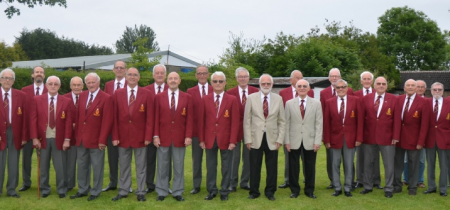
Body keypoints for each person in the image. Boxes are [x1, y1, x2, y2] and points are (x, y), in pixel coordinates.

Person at [111, 68, 154, 202]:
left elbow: (150, 118)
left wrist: (148, 137)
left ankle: (141, 191)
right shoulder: (117, 93)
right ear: (126, 76)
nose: (132, 77)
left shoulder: (146, 94)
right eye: (130, 74)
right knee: (124, 166)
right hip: (122, 137)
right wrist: (115, 136)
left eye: (135, 75)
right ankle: (123, 190)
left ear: (139, 77)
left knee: (141, 166)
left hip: (140, 138)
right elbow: (114, 117)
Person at [70, 72, 113, 201]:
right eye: (88, 82)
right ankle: (83, 189)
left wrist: (102, 140)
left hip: (96, 140)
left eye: (93, 82)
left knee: (97, 166)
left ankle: (95, 191)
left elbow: (107, 122)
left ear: (98, 83)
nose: (91, 84)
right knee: (82, 165)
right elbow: (78, 118)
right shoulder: (82, 96)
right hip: (82, 139)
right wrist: (77, 135)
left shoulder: (106, 98)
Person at [30, 76, 74, 198]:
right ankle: (44, 189)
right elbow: (33, 120)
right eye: (50, 84)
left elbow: (68, 123)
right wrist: (34, 138)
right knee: (43, 165)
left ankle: (61, 189)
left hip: (59, 139)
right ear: (46, 85)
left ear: (59, 86)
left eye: (55, 84)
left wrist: (67, 139)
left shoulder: (66, 101)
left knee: (60, 166)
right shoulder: (37, 100)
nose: (53, 86)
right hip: (42, 139)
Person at [244, 74, 285, 201]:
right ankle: (254, 191)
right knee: (254, 166)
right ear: (260, 85)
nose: (266, 86)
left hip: (272, 138)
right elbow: (247, 120)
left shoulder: (278, 99)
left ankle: (270, 191)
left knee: (272, 167)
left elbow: (282, 121)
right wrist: (248, 139)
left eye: (268, 84)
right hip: (255, 137)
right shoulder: (251, 98)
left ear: (272, 85)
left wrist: (280, 139)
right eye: (263, 83)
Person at [199, 71, 239, 201]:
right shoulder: (205, 99)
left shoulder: (232, 100)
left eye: (220, 81)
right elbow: (201, 121)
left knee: (226, 167)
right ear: (211, 83)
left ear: (225, 83)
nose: (218, 83)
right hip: (209, 139)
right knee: (210, 166)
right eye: (215, 81)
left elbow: (235, 122)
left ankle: (224, 191)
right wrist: (201, 139)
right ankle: (212, 191)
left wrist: (233, 140)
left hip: (226, 140)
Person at [153, 72, 193, 202]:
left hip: (180, 138)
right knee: (162, 166)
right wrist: (156, 136)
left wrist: (188, 136)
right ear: (167, 81)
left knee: (178, 166)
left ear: (179, 81)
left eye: (176, 78)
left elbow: (190, 119)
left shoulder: (187, 97)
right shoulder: (159, 97)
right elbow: (156, 118)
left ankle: (177, 191)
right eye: (171, 78)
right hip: (163, 137)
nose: (173, 80)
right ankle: (161, 191)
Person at [323, 79, 363, 197]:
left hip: (350, 138)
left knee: (348, 164)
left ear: (347, 88)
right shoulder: (329, 102)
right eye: (338, 87)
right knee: (335, 164)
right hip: (334, 139)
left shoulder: (356, 101)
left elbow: (360, 121)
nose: (340, 89)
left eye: (343, 87)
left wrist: (359, 138)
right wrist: (327, 140)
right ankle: (337, 187)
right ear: (335, 89)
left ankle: (347, 188)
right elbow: (326, 123)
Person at [360, 76, 398, 198]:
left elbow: (397, 120)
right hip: (369, 137)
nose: (381, 85)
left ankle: (388, 188)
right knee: (368, 163)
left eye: (383, 83)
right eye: (378, 83)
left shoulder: (393, 99)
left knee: (388, 164)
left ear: (387, 86)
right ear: (374, 85)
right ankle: (367, 186)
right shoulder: (366, 99)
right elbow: (362, 119)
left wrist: (395, 136)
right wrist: (361, 136)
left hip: (387, 138)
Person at [284, 79, 322, 199]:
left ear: (309, 88)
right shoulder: (289, 103)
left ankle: (309, 190)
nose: (301, 88)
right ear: (295, 88)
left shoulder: (316, 103)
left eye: (304, 86)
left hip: (310, 140)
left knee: (310, 167)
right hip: (293, 140)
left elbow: (318, 123)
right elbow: (286, 123)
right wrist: (287, 141)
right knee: (293, 167)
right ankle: (294, 190)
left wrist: (317, 141)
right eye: (299, 86)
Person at [393, 79, 429, 195]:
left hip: (414, 140)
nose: (410, 87)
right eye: (408, 85)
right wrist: (394, 136)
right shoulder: (398, 99)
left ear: (416, 87)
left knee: (414, 164)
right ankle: (397, 186)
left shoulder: (423, 102)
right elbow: (395, 120)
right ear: (404, 88)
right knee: (397, 164)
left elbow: (424, 124)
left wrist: (421, 141)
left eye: (413, 85)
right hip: (399, 139)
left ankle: (412, 187)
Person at [278, 70, 314, 189]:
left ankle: (306, 179)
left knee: (306, 159)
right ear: (291, 80)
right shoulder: (283, 93)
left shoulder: (311, 92)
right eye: (297, 78)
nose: (299, 80)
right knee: (290, 160)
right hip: (291, 133)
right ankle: (289, 180)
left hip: (307, 133)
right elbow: (282, 114)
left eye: (302, 78)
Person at [319, 68, 354, 189]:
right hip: (333, 134)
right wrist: (325, 135)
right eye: (332, 76)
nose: (334, 78)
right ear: (329, 78)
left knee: (349, 162)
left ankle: (349, 184)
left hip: (349, 135)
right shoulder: (324, 94)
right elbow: (324, 116)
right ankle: (334, 183)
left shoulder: (350, 93)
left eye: (337, 76)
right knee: (333, 161)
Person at [226, 67, 258, 192]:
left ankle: (244, 182)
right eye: (240, 77)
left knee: (248, 157)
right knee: (234, 158)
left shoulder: (256, 91)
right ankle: (232, 183)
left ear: (248, 78)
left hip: (251, 129)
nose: (243, 79)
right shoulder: (229, 92)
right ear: (236, 79)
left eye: (245, 76)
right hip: (235, 129)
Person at [0, 68, 28, 198]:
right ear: (0, 80)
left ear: (13, 81)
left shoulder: (21, 95)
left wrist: (24, 136)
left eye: (10, 78)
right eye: (4, 77)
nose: (7, 80)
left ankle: (11, 189)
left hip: (14, 132)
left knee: (13, 162)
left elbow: (25, 118)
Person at [20, 66, 47, 192]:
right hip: (27, 131)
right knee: (26, 159)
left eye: (41, 72)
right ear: (32, 75)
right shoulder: (24, 91)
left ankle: (42, 183)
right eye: (37, 72)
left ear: (44, 76)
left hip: (43, 131)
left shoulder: (50, 89)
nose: (39, 74)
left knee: (43, 159)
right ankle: (26, 182)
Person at [102, 61, 128, 193]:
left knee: (125, 158)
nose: (119, 70)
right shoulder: (108, 85)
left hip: (126, 128)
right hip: (112, 127)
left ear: (125, 70)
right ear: (113, 70)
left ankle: (126, 184)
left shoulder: (131, 83)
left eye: (121, 68)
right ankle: (113, 182)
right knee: (112, 157)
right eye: (117, 68)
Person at [353, 71, 382, 190]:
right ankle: (360, 180)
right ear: (361, 81)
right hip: (360, 130)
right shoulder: (356, 94)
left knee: (375, 156)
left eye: (369, 79)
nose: (366, 81)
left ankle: (376, 180)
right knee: (361, 156)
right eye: (364, 79)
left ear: (372, 82)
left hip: (375, 130)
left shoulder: (378, 93)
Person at [186, 65, 212, 194]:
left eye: (204, 73)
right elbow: (189, 114)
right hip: (196, 132)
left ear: (208, 75)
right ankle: (196, 185)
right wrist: (189, 134)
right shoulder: (190, 91)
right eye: (199, 73)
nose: (202, 75)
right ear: (196, 75)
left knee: (211, 160)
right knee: (197, 160)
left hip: (212, 131)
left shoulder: (215, 89)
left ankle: (210, 185)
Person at [144, 64, 169, 194]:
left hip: (166, 131)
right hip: (149, 131)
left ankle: (165, 183)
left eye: (162, 73)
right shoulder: (146, 90)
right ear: (153, 75)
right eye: (157, 73)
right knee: (150, 159)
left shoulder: (172, 89)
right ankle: (149, 184)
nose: (159, 75)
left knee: (166, 160)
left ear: (165, 75)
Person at [423, 82, 449, 196]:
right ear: (431, 91)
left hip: (445, 139)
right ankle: (431, 187)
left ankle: (443, 189)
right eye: (435, 90)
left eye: (439, 90)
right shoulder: (426, 103)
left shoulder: (449, 103)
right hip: (430, 139)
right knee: (431, 165)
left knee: (444, 166)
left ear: (443, 91)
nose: (437, 92)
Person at [403, 80, 427, 189]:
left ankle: (419, 180)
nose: (420, 89)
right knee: (406, 160)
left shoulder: (426, 101)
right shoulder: (404, 99)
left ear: (425, 89)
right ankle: (406, 179)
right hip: (406, 136)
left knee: (420, 160)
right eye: (419, 87)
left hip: (420, 137)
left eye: (422, 87)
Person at [63, 76, 84, 191]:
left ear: (82, 86)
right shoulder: (64, 98)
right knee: (69, 162)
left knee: (83, 163)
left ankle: (84, 185)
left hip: (83, 135)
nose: (76, 87)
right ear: (70, 86)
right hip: (69, 136)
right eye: (74, 85)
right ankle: (69, 184)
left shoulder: (87, 97)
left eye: (78, 85)